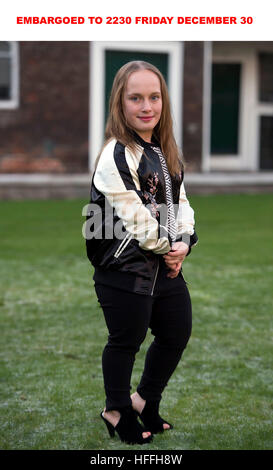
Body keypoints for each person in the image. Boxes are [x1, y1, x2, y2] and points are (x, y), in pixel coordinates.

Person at [85, 61, 198, 445]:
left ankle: (144, 400)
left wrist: (185, 240)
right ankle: (115, 408)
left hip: (163, 265)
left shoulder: (166, 150)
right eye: (136, 98)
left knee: (177, 331)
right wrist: (170, 248)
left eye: (154, 97)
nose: (146, 106)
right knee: (125, 341)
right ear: (120, 102)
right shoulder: (115, 154)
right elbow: (136, 219)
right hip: (123, 269)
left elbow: (179, 202)